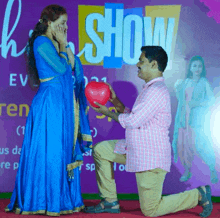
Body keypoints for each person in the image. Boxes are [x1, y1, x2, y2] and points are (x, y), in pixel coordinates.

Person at [84, 47, 213, 217]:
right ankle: (110, 201)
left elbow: (132, 121)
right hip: (136, 149)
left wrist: (107, 112)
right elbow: (134, 116)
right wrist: (114, 100)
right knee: (101, 150)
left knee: (151, 210)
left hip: (150, 157)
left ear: (153, 64)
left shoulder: (155, 91)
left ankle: (198, 194)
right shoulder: (149, 89)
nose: (137, 64)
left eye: (141, 61)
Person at [5, 4, 92, 216]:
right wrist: (64, 46)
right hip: (49, 105)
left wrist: (66, 48)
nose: (65, 27)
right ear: (48, 23)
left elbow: (74, 68)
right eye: (61, 23)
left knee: (62, 151)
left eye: (66, 24)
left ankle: (63, 200)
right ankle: (43, 200)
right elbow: (62, 68)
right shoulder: (41, 42)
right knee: (51, 152)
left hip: (63, 104)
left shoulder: (58, 42)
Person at [172, 55, 219, 184]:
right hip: (183, 119)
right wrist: (177, 88)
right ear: (190, 68)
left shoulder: (204, 82)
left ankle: (212, 169)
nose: (197, 68)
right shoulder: (185, 82)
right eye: (194, 66)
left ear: (202, 68)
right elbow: (180, 100)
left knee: (202, 145)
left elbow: (211, 100)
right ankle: (187, 171)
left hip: (197, 121)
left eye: (199, 66)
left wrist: (197, 103)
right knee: (184, 146)